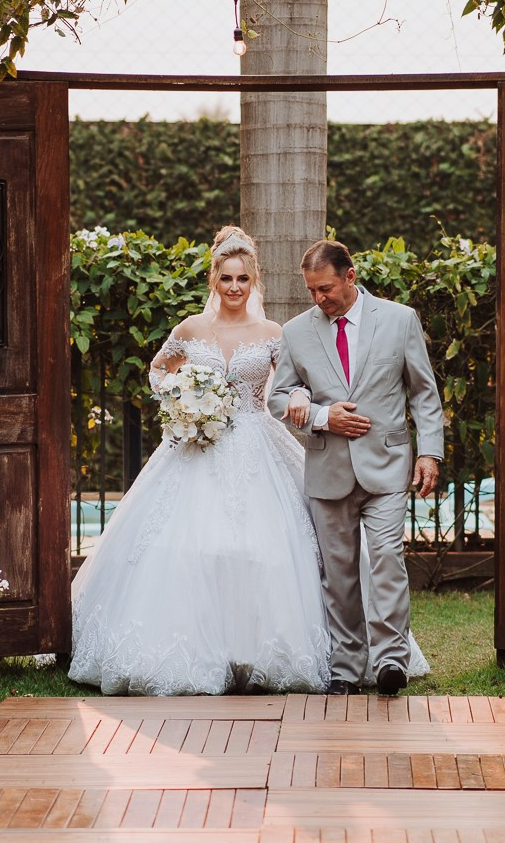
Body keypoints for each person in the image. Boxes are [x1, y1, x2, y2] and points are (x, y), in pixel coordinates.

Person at [68, 227, 334, 694]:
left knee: (265, 548)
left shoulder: (273, 334)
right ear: (214, 279)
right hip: (197, 446)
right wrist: (183, 403)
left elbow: (294, 383)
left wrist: (296, 398)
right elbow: (157, 372)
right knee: (184, 547)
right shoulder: (190, 329)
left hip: (257, 444)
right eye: (227, 278)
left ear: (254, 283)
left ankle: (256, 653)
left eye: (243, 279)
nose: (234, 288)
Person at [271, 239, 445, 694]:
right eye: (311, 290)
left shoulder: (399, 320)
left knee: (386, 558)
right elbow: (277, 395)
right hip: (328, 469)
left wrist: (429, 452)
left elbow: (423, 392)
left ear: (350, 276)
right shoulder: (295, 332)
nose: (318, 299)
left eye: (325, 288)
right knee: (339, 572)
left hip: (386, 464)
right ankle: (347, 668)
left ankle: (391, 661)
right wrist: (316, 410)